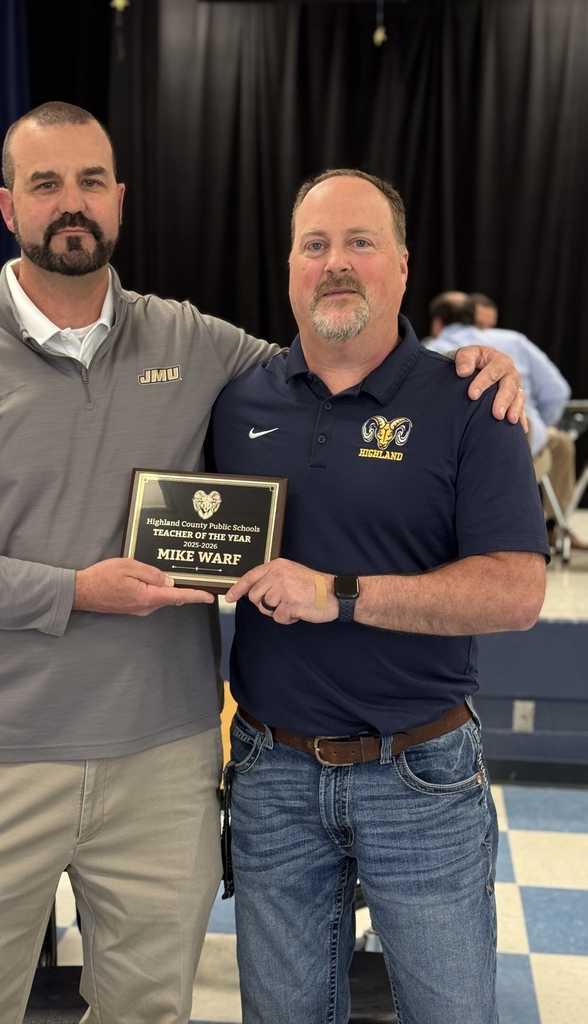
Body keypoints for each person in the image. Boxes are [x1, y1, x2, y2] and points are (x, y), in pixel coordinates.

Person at [0, 104, 524, 1024]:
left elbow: (338, 356)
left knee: (149, 1013)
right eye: (46, 184)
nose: (72, 202)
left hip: (165, 766)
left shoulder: (194, 345)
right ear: (8, 206)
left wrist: (470, 365)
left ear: (120, 199)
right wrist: (74, 591)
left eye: (92, 181)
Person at [209, 170, 549, 1024]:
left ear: (401, 266)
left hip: (422, 775)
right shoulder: (237, 400)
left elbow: (516, 592)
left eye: (360, 242)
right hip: (271, 773)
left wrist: (340, 594)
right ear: (291, 266)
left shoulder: (471, 400)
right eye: (315, 244)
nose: (336, 262)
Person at [428, 290, 586, 550]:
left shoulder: (427, 351)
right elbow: (558, 392)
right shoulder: (513, 340)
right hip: (524, 440)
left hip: (456, 465)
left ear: (437, 323)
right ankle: (553, 529)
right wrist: (539, 428)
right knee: (557, 440)